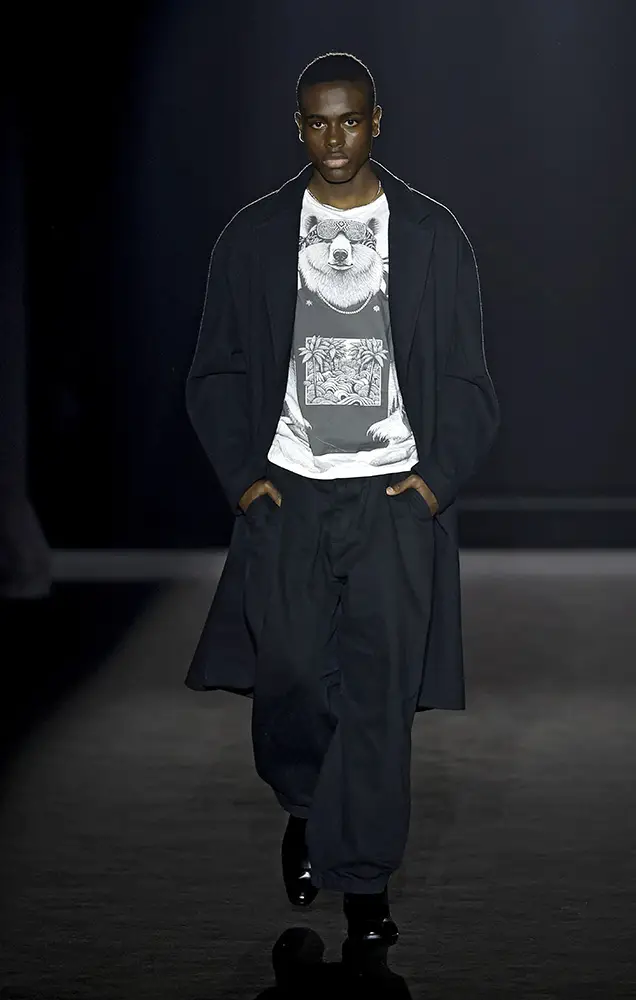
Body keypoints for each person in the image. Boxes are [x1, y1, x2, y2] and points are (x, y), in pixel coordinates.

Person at [185, 51, 500, 972]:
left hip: (392, 497)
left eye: (350, 120)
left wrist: (435, 483)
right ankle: (305, 803)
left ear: (376, 122)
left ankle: (366, 886)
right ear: (299, 127)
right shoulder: (252, 237)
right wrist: (244, 477)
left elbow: (469, 377)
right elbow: (215, 369)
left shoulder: (432, 235)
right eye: (318, 122)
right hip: (289, 492)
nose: (335, 138)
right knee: (288, 676)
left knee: (379, 699)